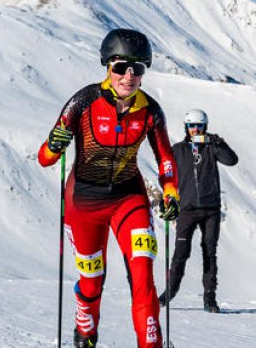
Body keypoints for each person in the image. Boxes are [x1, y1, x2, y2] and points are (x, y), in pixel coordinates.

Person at [38, 28, 180, 348]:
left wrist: (171, 192)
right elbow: (45, 159)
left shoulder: (150, 110)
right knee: (91, 281)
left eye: (138, 69)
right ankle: (85, 329)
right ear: (107, 67)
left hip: (129, 197)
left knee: (143, 276)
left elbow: (166, 160)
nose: (129, 76)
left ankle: (151, 343)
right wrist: (54, 144)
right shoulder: (84, 101)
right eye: (120, 67)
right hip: (84, 202)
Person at [158, 108, 238, 312]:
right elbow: (167, 174)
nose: (196, 129)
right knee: (180, 253)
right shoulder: (178, 150)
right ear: (186, 127)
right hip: (187, 209)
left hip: (211, 209)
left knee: (209, 252)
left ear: (205, 127)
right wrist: (166, 198)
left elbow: (232, 160)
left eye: (199, 126)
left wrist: (218, 142)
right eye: (192, 126)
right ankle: (170, 291)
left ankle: (210, 298)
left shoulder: (212, 148)